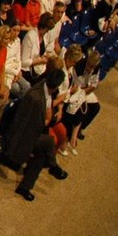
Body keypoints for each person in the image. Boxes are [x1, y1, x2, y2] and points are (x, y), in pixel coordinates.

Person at [6, 69, 70, 201]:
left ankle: (25, 187)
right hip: (20, 138)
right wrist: (49, 119)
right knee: (49, 142)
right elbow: (34, 124)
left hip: (31, 131)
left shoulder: (44, 89)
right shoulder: (35, 98)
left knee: (43, 153)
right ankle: (53, 166)